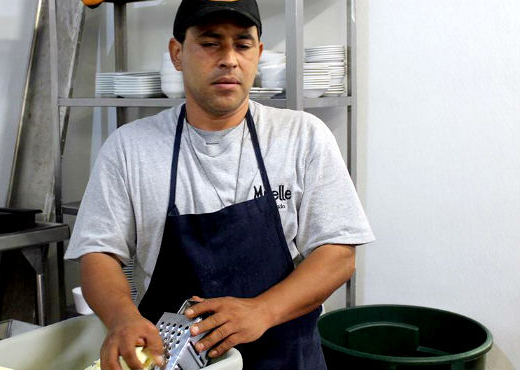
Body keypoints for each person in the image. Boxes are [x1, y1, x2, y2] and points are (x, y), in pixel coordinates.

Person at [64, 0, 374, 369]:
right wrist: (121, 317)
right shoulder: (130, 148)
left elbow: (338, 254)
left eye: (242, 44)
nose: (229, 59)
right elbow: (99, 254)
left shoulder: (303, 137)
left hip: (286, 358)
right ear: (177, 54)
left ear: (258, 54)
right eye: (211, 43)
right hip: (175, 360)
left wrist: (263, 310)